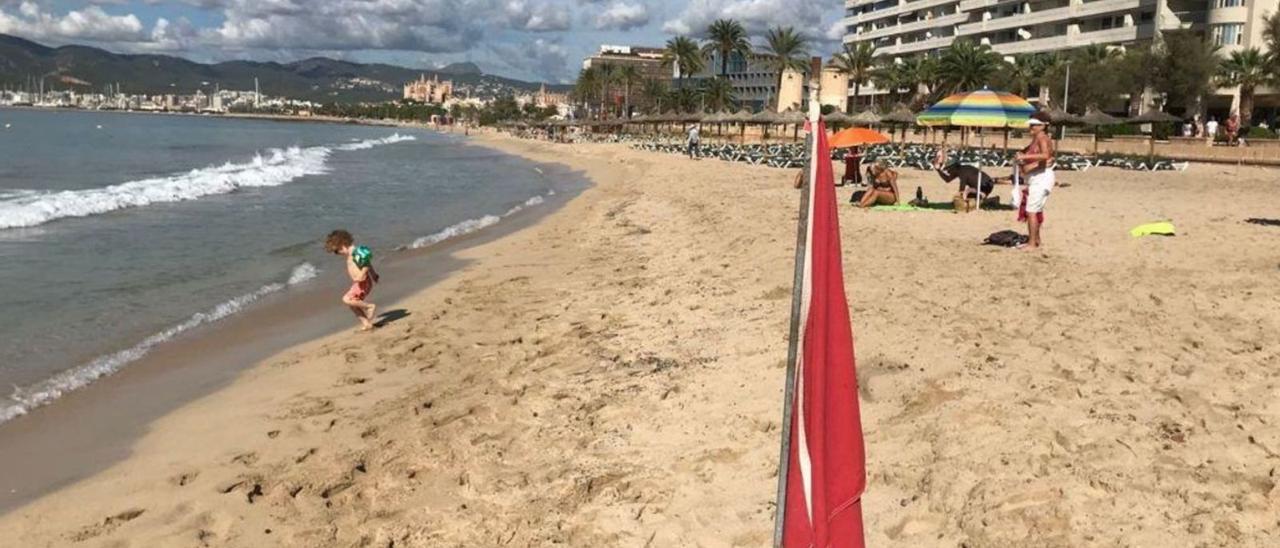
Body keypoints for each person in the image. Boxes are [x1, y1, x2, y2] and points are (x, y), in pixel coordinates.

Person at [325, 229, 380, 332]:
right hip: (359, 283)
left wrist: (365, 274)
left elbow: (366, 264)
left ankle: (369, 306)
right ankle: (366, 324)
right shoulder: (351, 254)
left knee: (346, 299)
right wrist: (373, 275)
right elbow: (367, 263)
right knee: (352, 304)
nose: (338, 254)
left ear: (342, 244)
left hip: (362, 282)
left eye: (337, 251)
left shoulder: (356, 252)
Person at [1015, 112, 1055, 250]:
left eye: (1035, 124)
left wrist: (1026, 157)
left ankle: (1032, 244)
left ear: (1043, 126)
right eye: (1031, 124)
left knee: (1031, 211)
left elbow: (1046, 155)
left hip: (1042, 178)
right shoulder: (1035, 138)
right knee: (1035, 210)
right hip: (1036, 177)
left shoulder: (1043, 138)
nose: (1031, 127)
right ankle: (1036, 240)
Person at [932, 147, 996, 211]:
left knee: (967, 193)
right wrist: (938, 170)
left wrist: (958, 199)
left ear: (954, 168)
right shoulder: (958, 171)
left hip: (985, 185)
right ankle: (986, 199)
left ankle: (985, 198)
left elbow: (962, 189)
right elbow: (947, 179)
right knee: (969, 196)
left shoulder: (963, 172)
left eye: (949, 170)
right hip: (980, 186)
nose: (948, 172)